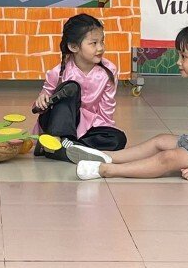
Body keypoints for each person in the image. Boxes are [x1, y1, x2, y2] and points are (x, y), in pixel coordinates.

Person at [71, 19, 188, 181]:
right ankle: (107, 156)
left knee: (168, 158)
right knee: (160, 140)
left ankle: (107, 170)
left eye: (184, 57)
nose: (178, 62)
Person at [34, 13, 126, 161]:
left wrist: (105, 132)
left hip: (89, 128)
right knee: (72, 87)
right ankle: (57, 140)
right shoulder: (59, 72)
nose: (100, 48)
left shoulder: (109, 71)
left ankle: (64, 148)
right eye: (93, 43)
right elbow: (41, 104)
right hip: (56, 126)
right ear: (73, 46)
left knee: (118, 139)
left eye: (102, 42)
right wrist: (41, 100)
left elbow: (106, 110)